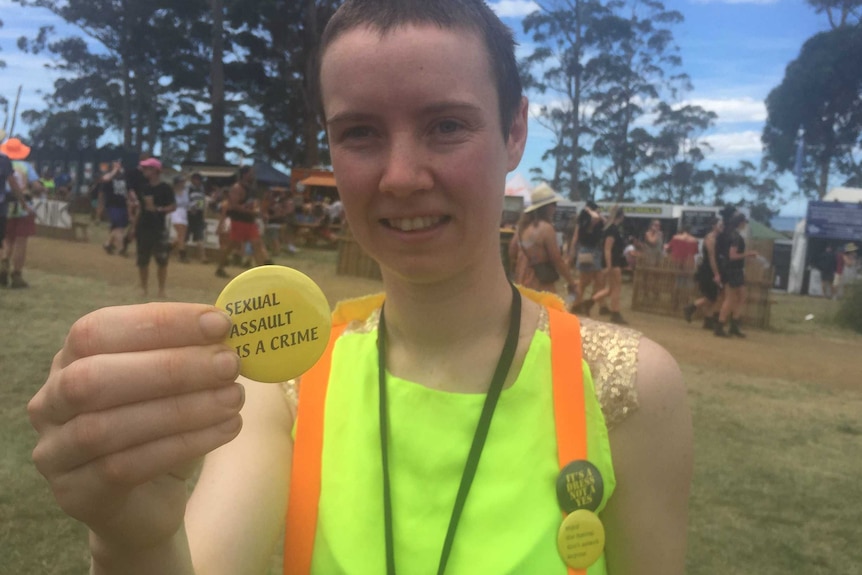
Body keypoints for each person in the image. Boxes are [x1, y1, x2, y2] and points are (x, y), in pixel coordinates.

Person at [28, 2, 692, 574]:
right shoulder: (284, 385)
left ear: (515, 130)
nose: (401, 176)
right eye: (360, 133)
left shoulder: (625, 389)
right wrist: (133, 538)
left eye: (446, 125)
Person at [508, 184, 577, 294]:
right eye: (554, 204)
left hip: (521, 279)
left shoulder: (522, 228)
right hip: (539, 283)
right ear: (546, 207)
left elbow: (512, 251)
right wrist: (571, 282)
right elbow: (557, 259)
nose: (555, 207)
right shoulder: (546, 228)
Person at [129, 158, 175, 298]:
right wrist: (133, 228)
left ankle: (161, 289)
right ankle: (144, 288)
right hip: (143, 226)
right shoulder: (144, 188)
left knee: (162, 260)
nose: (144, 171)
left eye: (147, 168)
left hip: (159, 228)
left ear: (155, 170)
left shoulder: (165, 188)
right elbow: (140, 209)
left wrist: (158, 209)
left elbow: (172, 206)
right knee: (143, 259)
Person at [215, 166, 272, 278]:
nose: (253, 175)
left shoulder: (251, 188)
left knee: (257, 244)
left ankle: (262, 273)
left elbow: (253, 204)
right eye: (250, 173)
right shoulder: (237, 188)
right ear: (244, 174)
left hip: (250, 222)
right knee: (232, 246)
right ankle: (220, 267)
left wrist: (258, 212)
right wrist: (249, 211)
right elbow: (233, 205)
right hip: (239, 221)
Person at [0, 137, 38, 288]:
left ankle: (3, 268)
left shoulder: (3, 161)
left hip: (5, 207)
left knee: (7, 240)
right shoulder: (26, 167)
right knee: (21, 242)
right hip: (21, 208)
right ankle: (16, 275)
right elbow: (35, 185)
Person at [715, 212, 757, 338]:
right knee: (730, 298)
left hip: (732, 270)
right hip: (733, 270)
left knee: (741, 296)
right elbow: (732, 255)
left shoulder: (729, 234)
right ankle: (720, 325)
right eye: (744, 222)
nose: (745, 225)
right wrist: (747, 254)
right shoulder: (735, 237)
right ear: (740, 223)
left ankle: (734, 324)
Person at [589, 206, 629, 325]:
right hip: (613, 262)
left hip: (613, 261)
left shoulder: (609, 228)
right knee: (616, 288)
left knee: (610, 289)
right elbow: (607, 249)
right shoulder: (612, 230)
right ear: (621, 216)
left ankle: (588, 303)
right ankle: (615, 313)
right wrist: (609, 265)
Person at [568, 201, 608, 315]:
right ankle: (575, 304)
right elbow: (576, 237)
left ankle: (587, 304)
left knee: (598, 282)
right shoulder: (588, 221)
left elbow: (607, 222)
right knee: (583, 283)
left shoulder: (586, 221)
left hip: (592, 252)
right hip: (589, 252)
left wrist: (572, 252)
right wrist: (590, 211)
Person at [684, 217, 723, 329]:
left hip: (710, 269)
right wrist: (716, 273)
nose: (722, 228)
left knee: (712, 297)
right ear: (714, 226)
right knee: (710, 297)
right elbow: (711, 258)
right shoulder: (710, 239)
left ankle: (708, 321)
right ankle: (691, 307)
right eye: (719, 225)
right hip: (707, 270)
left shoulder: (717, 238)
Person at [97, 161, 131, 256]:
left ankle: (108, 244)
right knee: (119, 228)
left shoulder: (124, 179)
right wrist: (100, 207)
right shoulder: (109, 178)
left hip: (123, 205)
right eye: (115, 166)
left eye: (119, 166)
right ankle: (121, 248)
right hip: (112, 205)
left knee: (118, 228)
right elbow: (104, 181)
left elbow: (128, 191)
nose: (118, 168)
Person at [185, 173, 209, 263]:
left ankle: (203, 257)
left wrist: (202, 214)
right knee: (185, 236)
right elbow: (185, 201)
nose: (198, 181)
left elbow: (202, 203)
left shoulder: (201, 190)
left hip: (197, 214)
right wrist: (191, 208)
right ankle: (182, 254)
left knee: (199, 237)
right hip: (189, 213)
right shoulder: (188, 188)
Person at [170, 175, 191, 263]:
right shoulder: (172, 192)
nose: (183, 183)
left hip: (184, 213)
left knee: (180, 236)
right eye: (181, 182)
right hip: (176, 212)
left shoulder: (186, 191)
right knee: (181, 234)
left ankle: (167, 249)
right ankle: (182, 255)